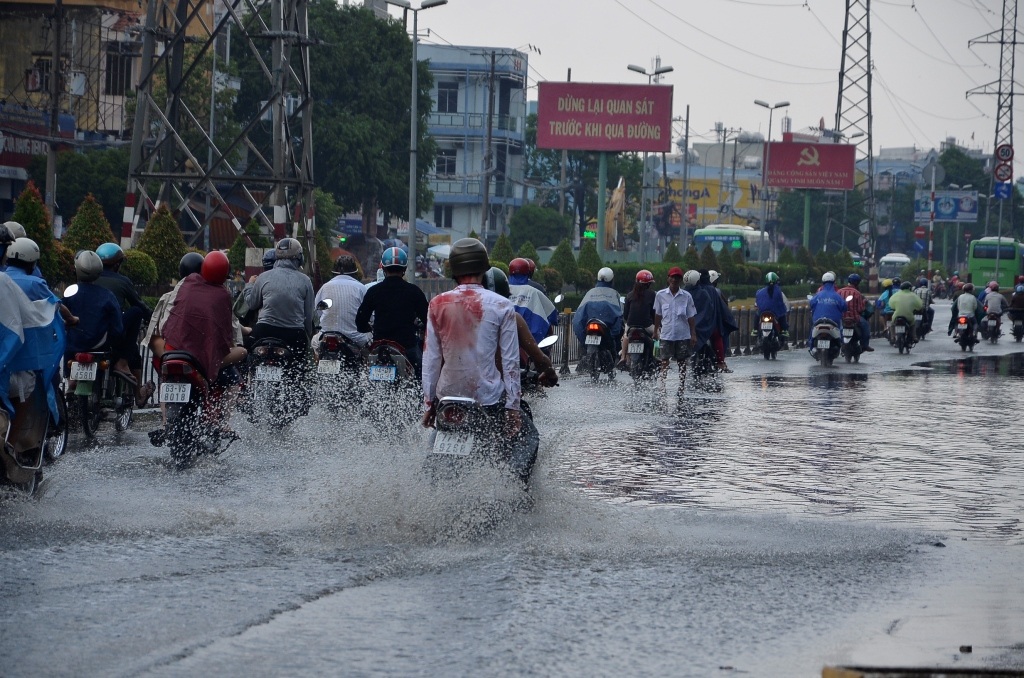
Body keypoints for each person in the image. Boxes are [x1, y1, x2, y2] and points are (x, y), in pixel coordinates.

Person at [421, 238, 521, 437]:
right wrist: (513, 407)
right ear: (484, 268)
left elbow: (431, 359)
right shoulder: (502, 306)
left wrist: (429, 403)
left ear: (453, 270)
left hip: (447, 396)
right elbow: (511, 362)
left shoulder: (437, 303)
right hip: (487, 397)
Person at [161, 251, 248, 428]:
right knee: (238, 362)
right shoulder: (222, 295)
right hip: (202, 357)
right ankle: (223, 424)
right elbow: (225, 336)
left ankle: (164, 423)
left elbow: (166, 322)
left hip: (173, 349)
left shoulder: (185, 283)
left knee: (164, 378)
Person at [1, 239, 71, 459]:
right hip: (12, 362)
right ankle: (10, 446)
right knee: (25, 391)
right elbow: (50, 308)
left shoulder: (6, 278)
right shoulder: (12, 283)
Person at [244, 238, 315, 406]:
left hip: (264, 331)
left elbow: (252, 304)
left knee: (246, 355)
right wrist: (307, 336)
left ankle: (243, 389)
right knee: (298, 369)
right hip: (293, 334)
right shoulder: (305, 281)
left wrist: (249, 286)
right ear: (299, 258)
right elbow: (308, 316)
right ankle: (298, 396)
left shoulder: (263, 277)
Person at [94, 242, 154, 405]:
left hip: (87, 335)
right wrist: (153, 317)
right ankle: (137, 393)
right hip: (112, 335)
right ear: (117, 264)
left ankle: (71, 383)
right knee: (136, 313)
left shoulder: (86, 279)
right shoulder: (122, 281)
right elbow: (139, 304)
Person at [355, 247, 429, 377]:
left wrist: (367, 328)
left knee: (363, 376)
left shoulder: (374, 291)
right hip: (407, 346)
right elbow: (428, 319)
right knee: (421, 373)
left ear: (383, 269)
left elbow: (360, 322)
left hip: (379, 346)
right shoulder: (413, 291)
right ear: (404, 269)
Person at [485, 266, 558, 388]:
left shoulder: (451, 309)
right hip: (496, 396)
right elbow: (539, 357)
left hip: (452, 395)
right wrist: (550, 372)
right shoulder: (512, 317)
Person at [63, 251, 124, 356]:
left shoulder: (69, 292)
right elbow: (117, 329)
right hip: (99, 348)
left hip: (71, 347)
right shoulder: (108, 295)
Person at [315, 255, 372, 350]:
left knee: (314, 343)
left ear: (333, 272)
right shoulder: (361, 288)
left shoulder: (324, 287)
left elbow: (318, 313)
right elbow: (369, 316)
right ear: (355, 273)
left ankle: (316, 363)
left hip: (326, 336)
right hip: (355, 338)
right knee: (370, 348)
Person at [653, 267, 698, 383]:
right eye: (672, 277)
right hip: (666, 334)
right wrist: (655, 331)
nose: (674, 280)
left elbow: (691, 316)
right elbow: (658, 314)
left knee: (682, 362)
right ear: (668, 279)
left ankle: (681, 385)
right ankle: (662, 385)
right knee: (664, 361)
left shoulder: (686, 296)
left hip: (682, 334)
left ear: (680, 280)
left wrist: (693, 334)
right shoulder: (660, 295)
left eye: (677, 278)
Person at [572, 266, 623, 351]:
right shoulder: (615, 294)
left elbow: (577, 320)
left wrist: (582, 339)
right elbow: (619, 318)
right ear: (612, 280)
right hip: (606, 336)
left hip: (589, 331)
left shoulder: (590, 293)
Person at [508, 257, 558, 343]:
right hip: (531, 340)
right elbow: (552, 313)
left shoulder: (501, 289)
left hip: (505, 338)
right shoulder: (535, 291)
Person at [617, 269, 657, 369]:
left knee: (625, 336)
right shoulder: (652, 294)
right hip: (647, 325)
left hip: (631, 325)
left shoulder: (630, 295)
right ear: (649, 284)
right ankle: (659, 356)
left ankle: (623, 357)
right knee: (659, 335)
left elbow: (626, 314)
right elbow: (654, 312)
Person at [704, 270, 738, 372]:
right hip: (712, 324)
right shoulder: (716, 291)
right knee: (720, 336)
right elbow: (724, 307)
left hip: (700, 324)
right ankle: (721, 362)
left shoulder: (697, 290)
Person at [808, 271, 847, 352]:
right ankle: (843, 347)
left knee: (812, 330)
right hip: (834, 322)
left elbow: (811, 304)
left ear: (823, 282)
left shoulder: (818, 295)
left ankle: (811, 346)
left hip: (818, 320)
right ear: (834, 282)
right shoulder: (837, 296)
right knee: (841, 330)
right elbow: (844, 307)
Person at [836, 273, 873, 352]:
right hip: (855, 318)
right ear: (857, 283)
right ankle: (865, 345)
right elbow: (860, 309)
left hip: (841, 317)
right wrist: (864, 303)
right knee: (866, 326)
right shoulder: (857, 293)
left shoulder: (839, 292)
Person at [754, 271, 790, 342]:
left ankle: (755, 330)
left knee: (757, 315)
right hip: (775, 313)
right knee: (782, 315)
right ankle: (784, 330)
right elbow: (786, 305)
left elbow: (756, 304)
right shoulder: (779, 292)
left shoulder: (760, 292)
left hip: (762, 312)